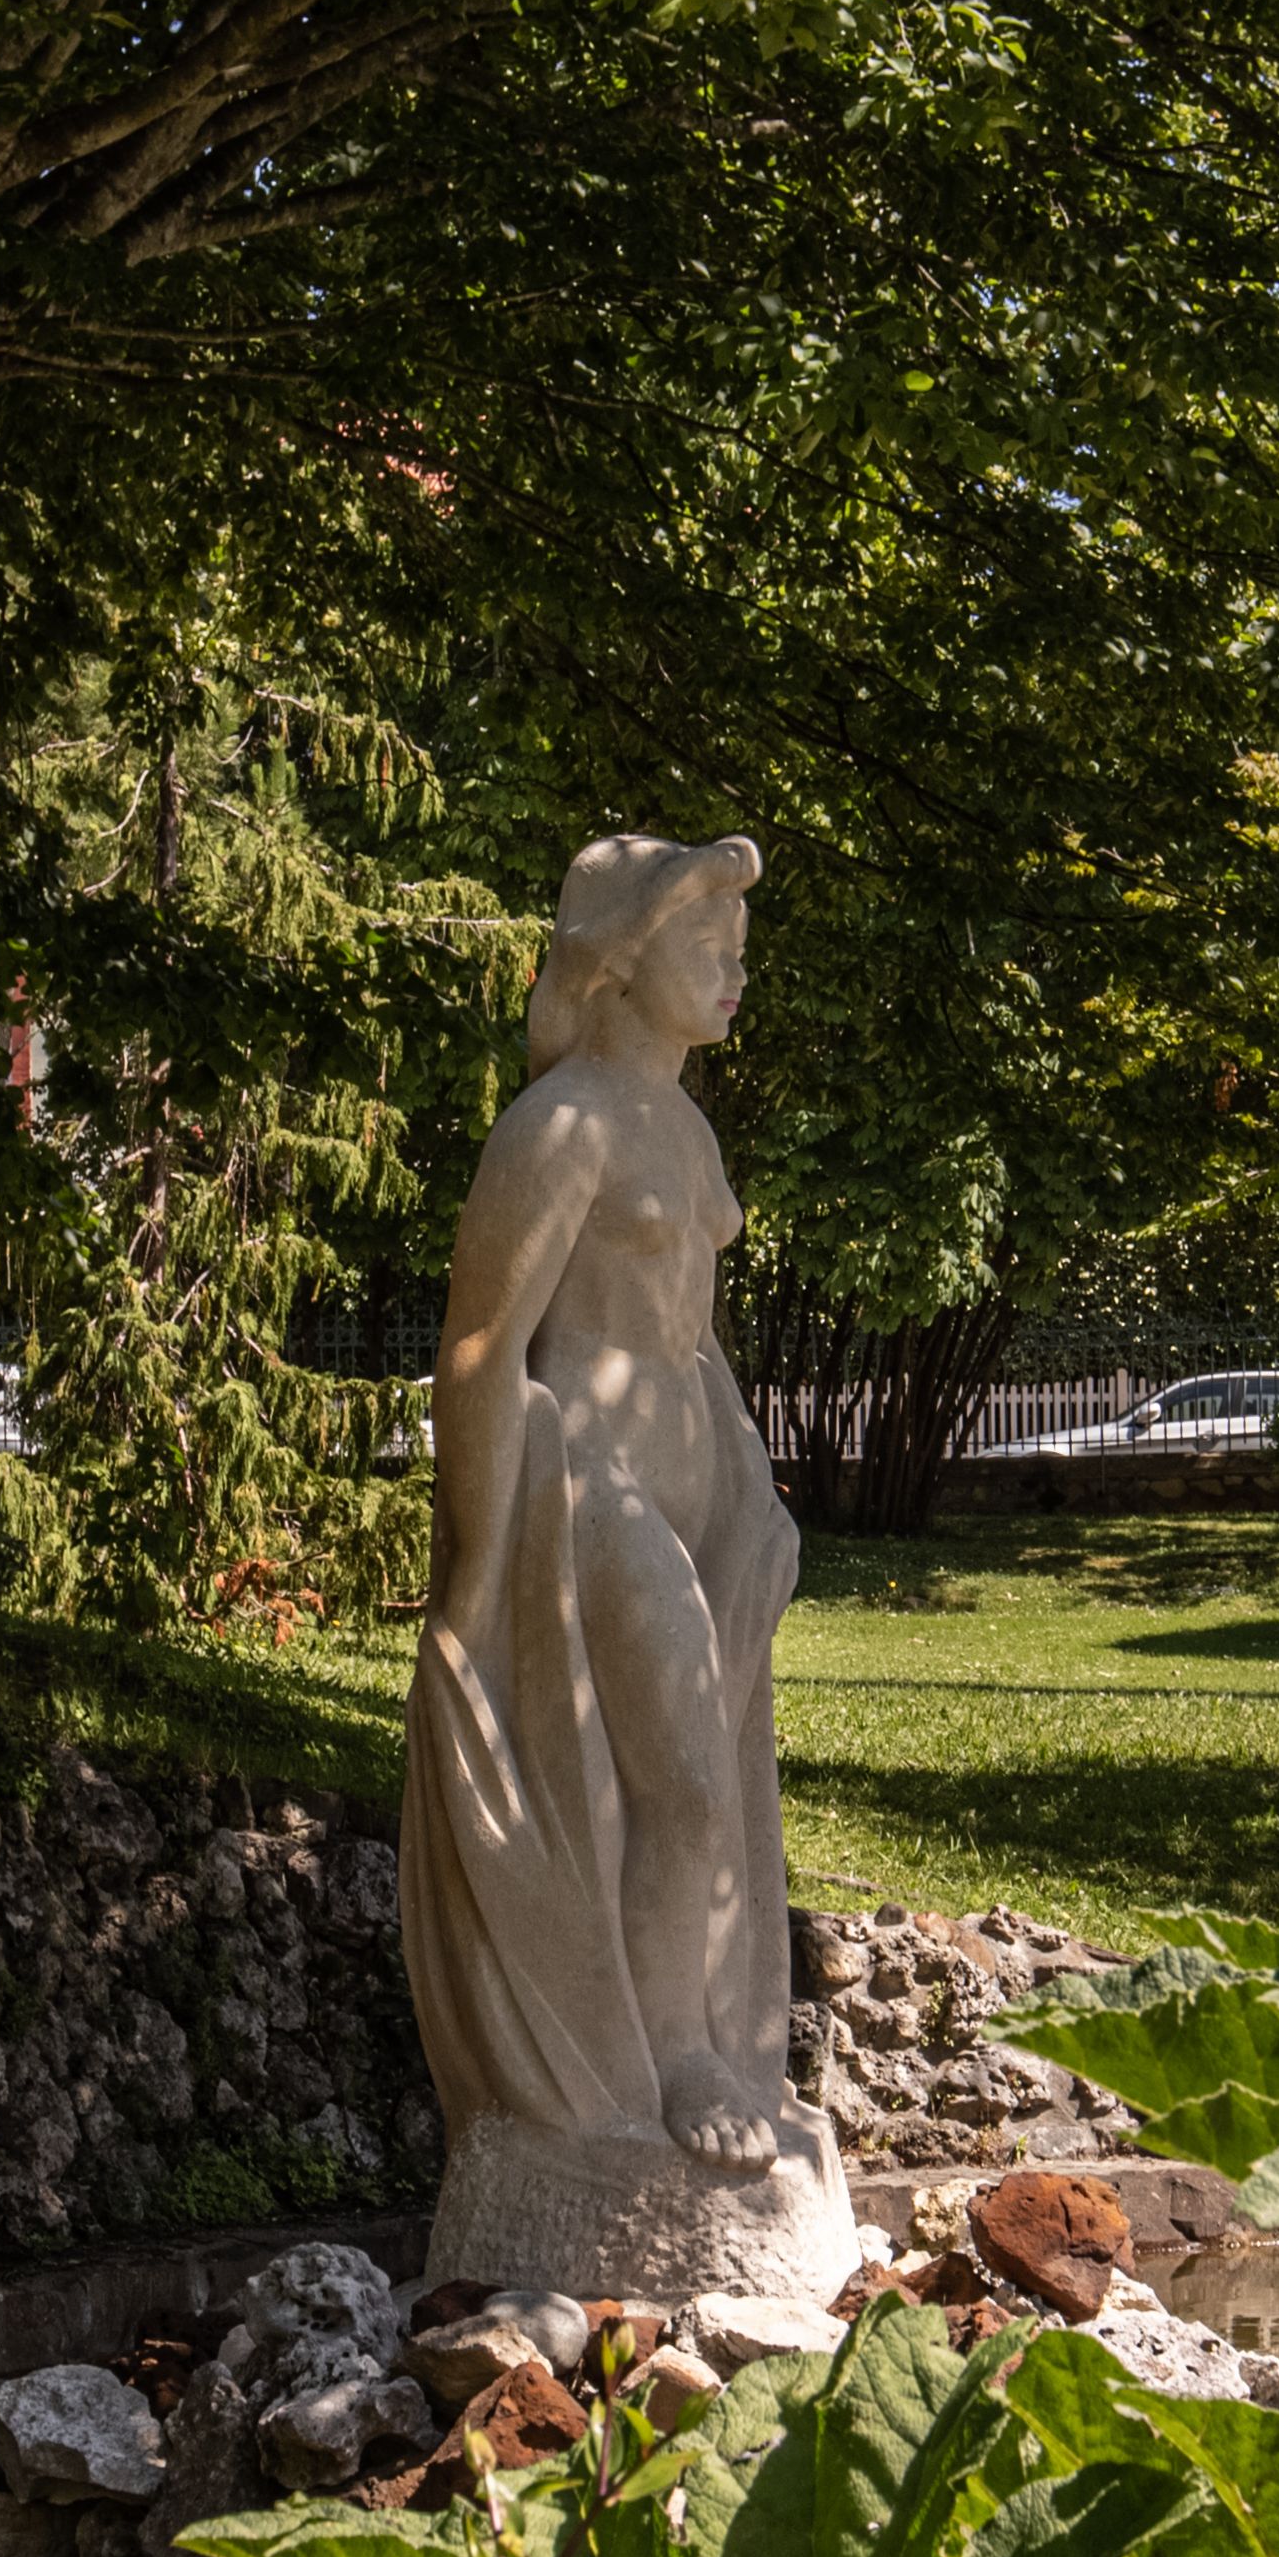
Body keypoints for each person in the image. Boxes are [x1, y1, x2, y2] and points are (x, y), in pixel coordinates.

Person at [402, 832, 858, 2301]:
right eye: (708, 940)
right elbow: (481, 1349)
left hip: (697, 1489)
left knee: (709, 1777)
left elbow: (694, 1333)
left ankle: (704, 2041)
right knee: (680, 1775)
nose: (736, 969)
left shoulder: (687, 1132)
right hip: (589, 1495)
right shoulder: (562, 1128)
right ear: (621, 954)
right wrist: (479, 1563)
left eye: (741, 942)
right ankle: (671, 2065)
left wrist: (753, 1485)